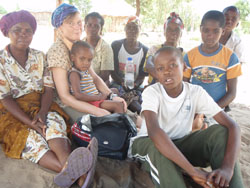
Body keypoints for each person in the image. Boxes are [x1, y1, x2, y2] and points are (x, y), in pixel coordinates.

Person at [0, 10, 98, 188]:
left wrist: (43, 113)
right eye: (17, 30)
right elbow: (5, 99)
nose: (23, 34)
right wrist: (30, 122)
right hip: (12, 112)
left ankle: (73, 172)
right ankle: (81, 176)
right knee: (29, 139)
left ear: (33, 33)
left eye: (28, 30)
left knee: (53, 126)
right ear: (7, 32)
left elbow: (48, 89)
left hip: (41, 105)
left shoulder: (40, 56)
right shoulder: (0, 61)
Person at [129, 46, 244, 188]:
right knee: (157, 146)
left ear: (184, 67)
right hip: (147, 144)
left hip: (179, 144)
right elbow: (154, 132)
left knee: (221, 132)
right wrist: (192, 171)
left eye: (173, 65)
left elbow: (233, 126)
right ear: (156, 73)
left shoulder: (195, 92)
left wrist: (227, 168)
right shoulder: (152, 92)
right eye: (160, 68)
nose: (167, 71)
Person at [47, 3, 126, 124]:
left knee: (124, 111)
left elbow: (94, 77)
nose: (77, 27)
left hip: (90, 98)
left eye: (79, 22)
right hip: (70, 105)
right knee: (107, 122)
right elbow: (65, 97)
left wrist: (111, 96)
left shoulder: (78, 45)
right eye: (71, 23)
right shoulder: (57, 51)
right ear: (60, 27)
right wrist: (97, 111)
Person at [183, 10, 242, 114]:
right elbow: (184, 85)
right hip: (193, 110)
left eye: (215, 31)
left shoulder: (231, 57)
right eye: (206, 30)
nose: (210, 35)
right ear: (200, 29)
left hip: (218, 111)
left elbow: (232, 93)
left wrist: (211, 110)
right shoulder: (190, 56)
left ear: (223, 31)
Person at [69, 40, 125, 113]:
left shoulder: (84, 71)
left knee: (115, 91)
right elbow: (78, 95)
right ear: (72, 57)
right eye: (82, 59)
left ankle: (117, 114)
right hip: (90, 102)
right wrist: (98, 97)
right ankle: (119, 123)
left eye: (89, 60)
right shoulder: (75, 74)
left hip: (95, 97)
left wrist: (100, 95)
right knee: (118, 105)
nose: (86, 63)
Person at [111, 16, 148, 114]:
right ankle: (141, 115)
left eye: (135, 28)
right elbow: (113, 72)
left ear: (140, 30)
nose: (132, 31)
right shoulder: (116, 45)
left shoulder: (144, 50)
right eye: (129, 27)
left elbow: (142, 75)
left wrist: (135, 84)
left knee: (140, 98)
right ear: (125, 29)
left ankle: (140, 115)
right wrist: (122, 82)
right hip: (117, 83)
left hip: (135, 85)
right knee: (120, 95)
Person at [145, 12, 184, 85]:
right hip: (155, 87)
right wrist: (165, 80)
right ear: (164, 32)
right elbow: (149, 66)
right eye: (169, 29)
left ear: (181, 34)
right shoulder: (155, 49)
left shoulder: (183, 54)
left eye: (176, 30)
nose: (173, 33)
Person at [83, 12, 114, 86]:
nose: (92, 28)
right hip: (79, 83)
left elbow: (105, 76)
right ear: (84, 27)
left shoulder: (105, 47)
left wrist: (87, 84)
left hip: (98, 84)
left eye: (96, 26)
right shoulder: (79, 45)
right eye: (89, 25)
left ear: (101, 29)